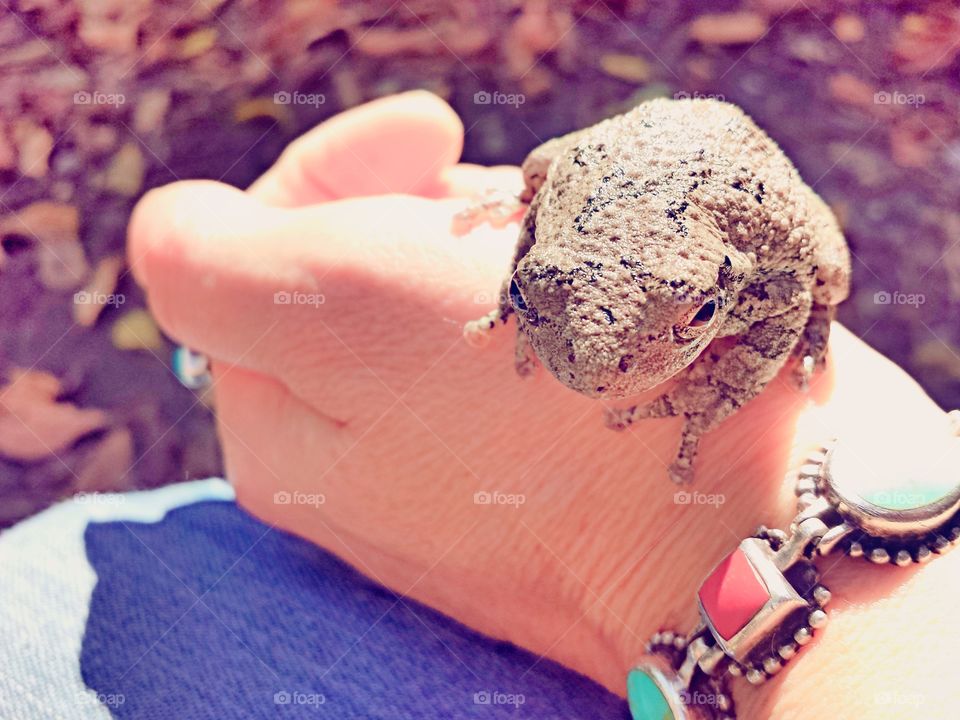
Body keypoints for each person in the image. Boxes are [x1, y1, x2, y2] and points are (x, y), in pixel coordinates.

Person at [128, 91, 959, 718]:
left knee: (827, 277)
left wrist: (721, 395)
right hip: (612, 172)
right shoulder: (559, 213)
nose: (597, 372)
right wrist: (521, 295)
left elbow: (785, 290)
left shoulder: (743, 274)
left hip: (731, 202)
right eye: (540, 292)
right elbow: (545, 183)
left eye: (690, 318)